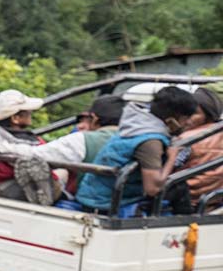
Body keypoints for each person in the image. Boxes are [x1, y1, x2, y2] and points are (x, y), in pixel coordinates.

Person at [73, 86, 199, 216]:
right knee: (179, 186)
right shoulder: (151, 141)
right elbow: (152, 189)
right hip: (105, 204)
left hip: (92, 195)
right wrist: (172, 157)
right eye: (186, 118)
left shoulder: (136, 123)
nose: (189, 123)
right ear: (172, 120)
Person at [0, 89, 46, 196]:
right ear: (15, 118)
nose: (31, 113)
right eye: (27, 111)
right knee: (62, 174)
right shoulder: (29, 142)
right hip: (9, 189)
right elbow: (44, 152)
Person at [176, 87, 223, 207]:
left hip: (191, 198)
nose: (188, 118)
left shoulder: (186, 139)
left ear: (208, 114)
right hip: (216, 195)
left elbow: (172, 167)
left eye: (194, 114)